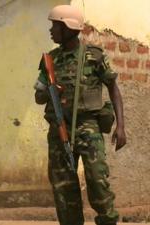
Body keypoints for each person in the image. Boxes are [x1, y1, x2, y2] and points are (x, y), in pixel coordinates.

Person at [34, 5, 127, 225]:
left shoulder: (93, 56)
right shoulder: (50, 60)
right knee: (63, 186)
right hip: (59, 130)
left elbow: (113, 88)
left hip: (88, 128)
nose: (51, 31)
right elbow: (38, 97)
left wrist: (121, 126)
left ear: (68, 27)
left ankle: (108, 221)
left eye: (55, 26)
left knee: (97, 181)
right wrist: (49, 91)